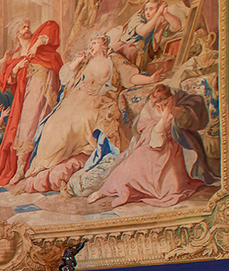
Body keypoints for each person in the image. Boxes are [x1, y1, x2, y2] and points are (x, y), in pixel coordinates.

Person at [16, 34, 162, 193]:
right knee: (53, 123)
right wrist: (77, 62)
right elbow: (65, 77)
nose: (91, 46)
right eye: (90, 43)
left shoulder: (114, 60)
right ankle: (42, 163)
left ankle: (57, 160)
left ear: (103, 45)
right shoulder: (86, 61)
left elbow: (130, 77)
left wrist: (150, 80)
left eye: (94, 43)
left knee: (82, 119)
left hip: (98, 99)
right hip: (76, 98)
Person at [88, 84, 205, 209]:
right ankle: (104, 191)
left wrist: (169, 113)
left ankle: (142, 189)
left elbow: (186, 121)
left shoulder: (177, 104)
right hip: (149, 148)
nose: (162, 107)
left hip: (171, 152)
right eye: (158, 105)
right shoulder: (150, 110)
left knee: (171, 187)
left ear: (170, 99)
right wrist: (162, 119)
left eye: (165, 103)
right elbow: (152, 139)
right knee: (128, 167)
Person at [0, 18, 63, 186]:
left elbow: (52, 26)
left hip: (49, 91)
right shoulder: (16, 55)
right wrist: (16, 68)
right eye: (23, 27)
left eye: (27, 26)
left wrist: (36, 45)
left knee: (49, 123)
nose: (27, 29)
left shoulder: (38, 42)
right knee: (28, 126)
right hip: (30, 93)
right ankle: (21, 168)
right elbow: (5, 80)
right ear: (17, 34)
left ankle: (43, 164)